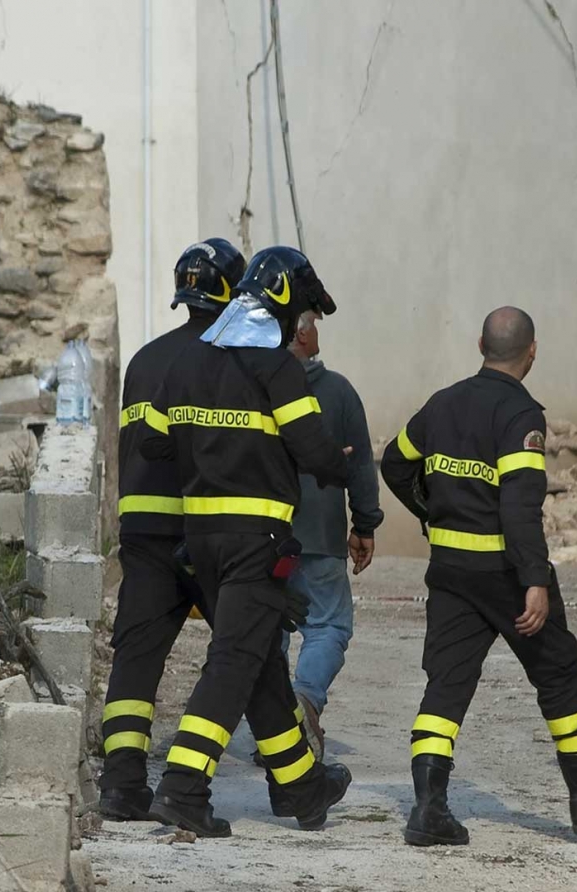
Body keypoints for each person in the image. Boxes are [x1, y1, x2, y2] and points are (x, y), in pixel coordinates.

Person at [381, 307, 577, 845]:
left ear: (481, 343)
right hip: (505, 573)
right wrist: (533, 579)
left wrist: (429, 511)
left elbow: (393, 463)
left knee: (447, 685)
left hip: (452, 572)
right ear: (532, 353)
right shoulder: (522, 416)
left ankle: (428, 810)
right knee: (557, 673)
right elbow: (519, 507)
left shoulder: (443, 403)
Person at [139, 246, 354, 838]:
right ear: (285, 306)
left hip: (201, 540)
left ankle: (301, 787)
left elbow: (154, 444)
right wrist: (338, 465)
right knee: (234, 663)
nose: (301, 327)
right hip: (257, 542)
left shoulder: (187, 363)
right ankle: (183, 790)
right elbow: (313, 451)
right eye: (303, 314)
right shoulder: (278, 369)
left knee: (259, 664)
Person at [99, 238, 248, 821]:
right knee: (243, 650)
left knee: (136, 657)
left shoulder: (145, 358)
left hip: (142, 529)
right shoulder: (224, 360)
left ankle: (120, 784)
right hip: (203, 531)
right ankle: (296, 778)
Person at [281, 310, 383, 759]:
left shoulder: (247, 388)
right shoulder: (338, 392)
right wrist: (364, 525)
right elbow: (360, 465)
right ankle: (303, 701)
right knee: (327, 625)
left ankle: (274, 719)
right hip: (319, 538)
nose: (318, 331)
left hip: (260, 538)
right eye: (314, 323)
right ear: (302, 333)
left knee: (267, 630)